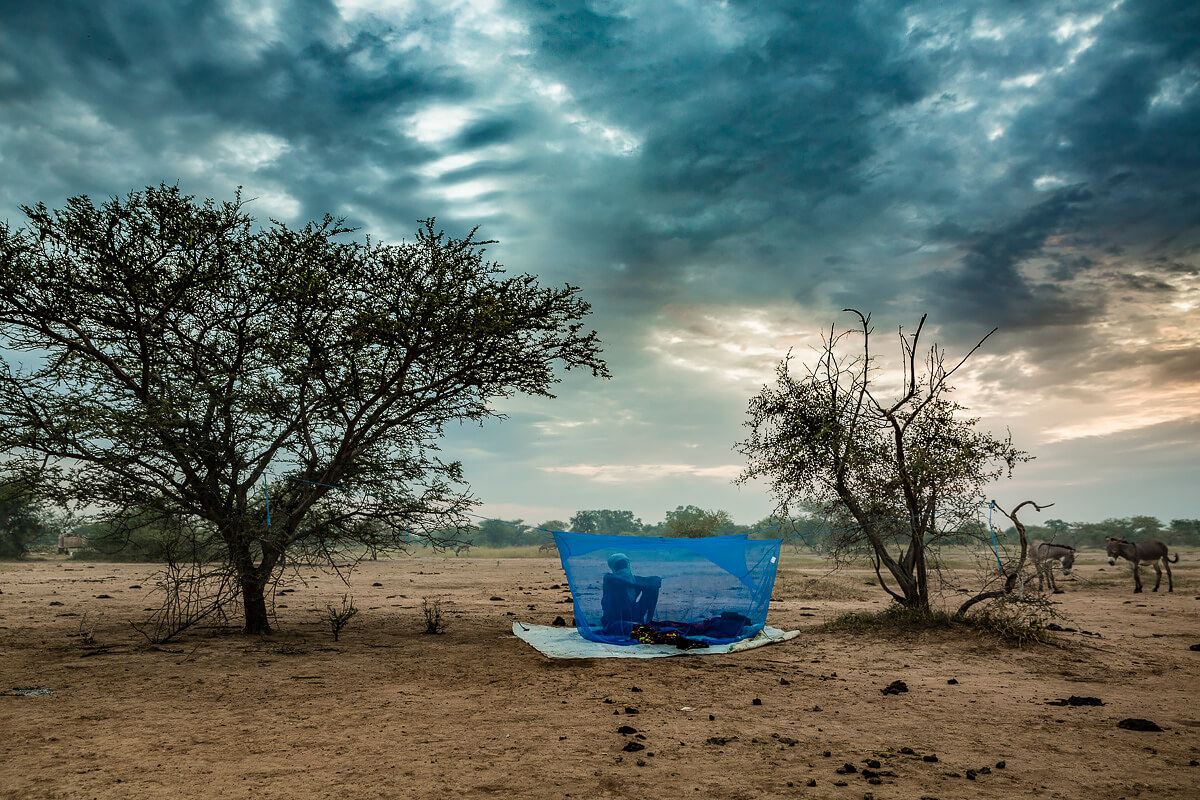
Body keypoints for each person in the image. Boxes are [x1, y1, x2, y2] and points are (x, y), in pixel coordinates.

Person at [600, 552, 661, 636]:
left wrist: (654, 581)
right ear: (613, 567)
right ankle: (637, 625)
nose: (622, 568)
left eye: (623, 564)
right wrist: (644, 583)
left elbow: (651, 581)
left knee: (652, 589)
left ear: (627, 565)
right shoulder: (609, 579)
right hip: (614, 620)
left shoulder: (634, 579)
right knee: (635, 628)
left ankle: (648, 621)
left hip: (633, 615)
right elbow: (625, 582)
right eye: (618, 565)